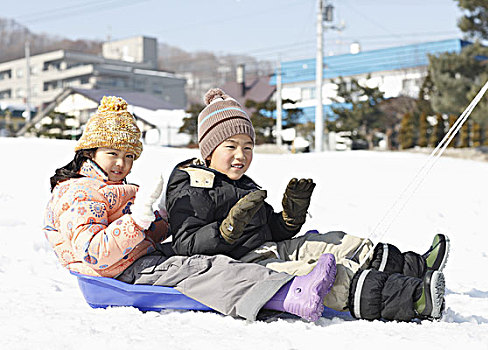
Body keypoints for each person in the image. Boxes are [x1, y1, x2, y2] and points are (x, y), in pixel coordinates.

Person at [44, 95, 338, 322]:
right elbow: (95, 251)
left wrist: (163, 216)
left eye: (129, 156)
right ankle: (289, 294)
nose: (122, 164)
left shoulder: (114, 187)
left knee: (202, 261)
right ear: (89, 152)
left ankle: (291, 285)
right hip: (115, 275)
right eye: (112, 154)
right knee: (206, 269)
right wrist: (137, 219)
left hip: (138, 259)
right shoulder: (78, 193)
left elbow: (149, 234)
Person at [166, 88, 450, 322]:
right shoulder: (191, 185)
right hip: (240, 263)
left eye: (248, 147)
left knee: (336, 242)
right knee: (326, 273)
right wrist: (226, 230)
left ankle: (415, 266)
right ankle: (414, 299)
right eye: (230, 146)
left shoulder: (243, 183)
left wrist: (290, 217)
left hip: (267, 248)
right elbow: (185, 244)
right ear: (208, 149)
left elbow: (270, 231)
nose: (241, 155)